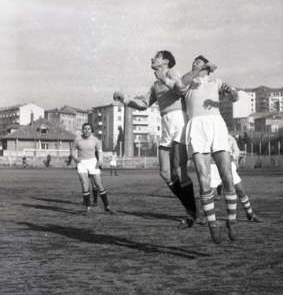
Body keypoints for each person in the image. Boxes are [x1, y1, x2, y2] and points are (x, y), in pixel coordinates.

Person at [113, 50, 197, 228]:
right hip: (166, 125)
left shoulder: (172, 73)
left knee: (179, 169)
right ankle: (190, 209)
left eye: (156, 57)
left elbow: (181, 89)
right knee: (165, 173)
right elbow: (144, 104)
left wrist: (165, 78)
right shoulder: (155, 84)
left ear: (165, 61)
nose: (152, 59)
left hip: (179, 121)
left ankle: (192, 213)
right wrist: (125, 98)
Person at [169, 55, 239, 244]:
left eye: (198, 62)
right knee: (203, 176)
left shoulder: (217, 81)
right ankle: (213, 225)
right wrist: (196, 70)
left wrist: (230, 92)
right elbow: (179, 85)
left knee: (227, 176)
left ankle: (231, 222)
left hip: (216, 124)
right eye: (193, 63)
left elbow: (234, 97)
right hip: (196, 125)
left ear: (207, 67)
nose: (194, 64)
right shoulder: (188, 82)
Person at [210, 134, 261, 222]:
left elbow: (236, 151)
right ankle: (205, 216)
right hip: (214, 167)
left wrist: (232, 156)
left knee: (240, 190)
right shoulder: (210, 136)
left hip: (228, 166)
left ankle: (250, 214)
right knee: (210, 193)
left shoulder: (229, 138)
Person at [72, 123, 113, 214]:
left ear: (91, 130)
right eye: (85, 129)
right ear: (82, 130)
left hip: (93, 162)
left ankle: (107, 206)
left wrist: (100, 160)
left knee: (98, 184)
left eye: (89, 129)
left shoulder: (96, 140)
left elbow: (100, 151)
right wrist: (75, 158)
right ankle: (88, 208)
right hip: (81, 163)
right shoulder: (77, 140)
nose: (87, 130)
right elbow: (73, 151)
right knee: (84, 184)